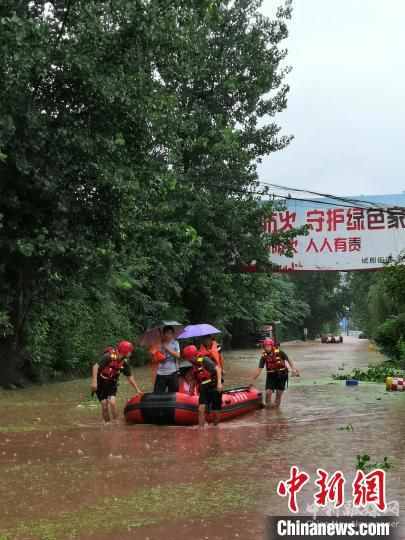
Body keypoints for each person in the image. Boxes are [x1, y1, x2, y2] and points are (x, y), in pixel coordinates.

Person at [91, 340, 142, 423]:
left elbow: (130, 377)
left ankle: (116, 422)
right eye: (130, 351)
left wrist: (137, 389)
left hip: (112, 383)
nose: (131, 353)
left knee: (112, 402)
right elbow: (95, 367)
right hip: (100, 382)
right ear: (125, 351)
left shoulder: (124, 363)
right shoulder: (108, 356)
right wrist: (94, 382)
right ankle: (107, 423)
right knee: (104, 405)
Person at [250, 338, 299, 408]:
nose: (267, 348)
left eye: (268, 346)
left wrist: (293, 369)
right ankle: (268, 409)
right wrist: (252, 381)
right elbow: (259, 370)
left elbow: (288, 360)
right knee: (268, 392)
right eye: (265, 346)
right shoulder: (264, 357)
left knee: (278, 396)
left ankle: (276, 411)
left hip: (282, 375)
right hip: (271, 375)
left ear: (272, 346)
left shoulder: (280, 352)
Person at [182, 345, 223, 428]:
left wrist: (219, 383)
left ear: (193, 356)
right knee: (201, 409)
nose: (188, 360)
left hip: (214, 385)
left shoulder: (205, 360)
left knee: (216, 411)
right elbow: (194, 379)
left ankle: (216, 428)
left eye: (188, 358)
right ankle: (201, 429)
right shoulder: (194, 364)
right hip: (204, 387)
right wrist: (191, 391)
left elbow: (218, 369)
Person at [153, 325, 181, 393]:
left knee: (174, 394)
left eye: (171, 333)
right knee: (157, 394)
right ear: (163, 334)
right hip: (161, 373)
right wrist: (160, 358)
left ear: (173, 334)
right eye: (167, 333)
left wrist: (167, 348)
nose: (169, 335)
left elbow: (178, 356)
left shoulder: (175, 343)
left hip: (173, 372)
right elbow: (154, 359)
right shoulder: (158, 344)